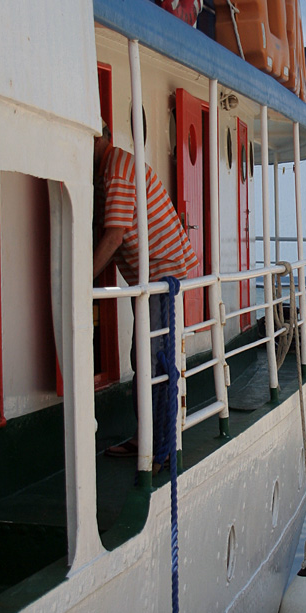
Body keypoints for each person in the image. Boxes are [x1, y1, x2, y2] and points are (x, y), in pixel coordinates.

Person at [93, 125, 196, 457]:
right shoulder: (116, 167)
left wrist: (81, 280)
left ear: (98, 137)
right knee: (150, 357)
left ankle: (158, 446)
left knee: (152, 359)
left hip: (160, 272)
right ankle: (151, 439)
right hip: (157, 270)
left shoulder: (116, 172)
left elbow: (114, 236)